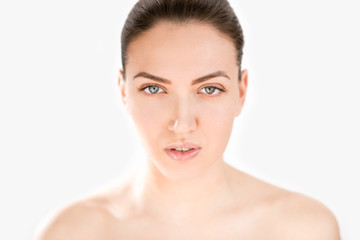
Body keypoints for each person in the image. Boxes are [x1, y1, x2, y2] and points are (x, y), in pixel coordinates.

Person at [35, 0, 341, 239]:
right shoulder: (71, 234)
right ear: (124, 91)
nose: (182, 124)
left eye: (209, 89)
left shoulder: (302, 230)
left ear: (242, 91)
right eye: (154, 89)